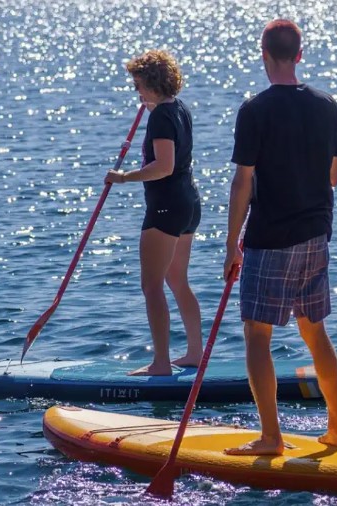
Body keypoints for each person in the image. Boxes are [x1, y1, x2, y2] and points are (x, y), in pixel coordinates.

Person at [222, 19, 337, 455]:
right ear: (300, 54)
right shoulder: (327, 105)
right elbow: (333, 175)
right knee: (315, 331)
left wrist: (230, 243)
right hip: (316, 233)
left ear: (264, 54)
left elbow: (243, 183)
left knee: (257, 336)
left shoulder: (253, 110)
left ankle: (272, 437)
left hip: (270, 237)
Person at [105, 50, 202, 376]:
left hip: (167, 206)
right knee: (177, 280)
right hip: (189, 202)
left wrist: (124, 178)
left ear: (152, 83)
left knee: (152, 284)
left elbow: (164, 166)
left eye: (139, 85)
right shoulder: (179, 109)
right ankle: (194, 353)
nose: (137, 92)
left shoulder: (160, 116)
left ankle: (161, 363)